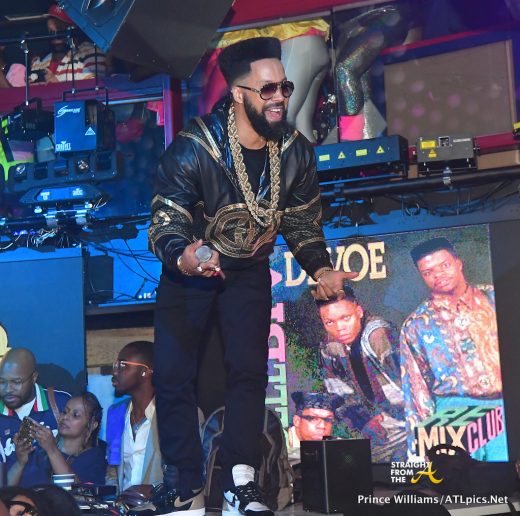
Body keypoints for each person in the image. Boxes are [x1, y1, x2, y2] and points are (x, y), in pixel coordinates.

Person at [148, 36, 354, 516]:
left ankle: (241, 479)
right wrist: (183, 254)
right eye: (267, 90)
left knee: (248, 373)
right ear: (238, 94)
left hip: (248, 273)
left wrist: (321, 268)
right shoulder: (194, 148)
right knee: (174, 376)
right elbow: (166, 219)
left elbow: (302, 222)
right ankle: (185, 484)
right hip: (191, 275)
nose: (280, 97)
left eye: (284, 87)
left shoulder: (295, 151)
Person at [400, 237, 505, 460]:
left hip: (504, 408)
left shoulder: (496, 299)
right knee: (460, 480)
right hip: (452, 415)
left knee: (507, 478)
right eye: (428, 272)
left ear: (459, 263)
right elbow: (416, 392)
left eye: (445, 265)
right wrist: (420, 453)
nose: (438, 275)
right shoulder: (416, 325)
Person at [317, 287, 407, 462]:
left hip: (414, 418)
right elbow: (338, 396)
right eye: (330, 322)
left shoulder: (378, 335)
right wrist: (365, 421)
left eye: (345, 318)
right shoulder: (330, 348)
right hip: (382, 428)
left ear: (359, 312)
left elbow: (408, 386)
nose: (340, 328)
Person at [7, 392, 106, 487]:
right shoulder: (38, 449)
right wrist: (20, 462)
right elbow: (7, 489)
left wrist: (52, 450)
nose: (65, 417)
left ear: (93, 425)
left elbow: (75, 491)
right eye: (64, 412)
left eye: (75, 415)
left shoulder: (95, 457)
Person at [106, 341, 162, 492]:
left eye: (122, 365)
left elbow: (187, 474)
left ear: (145, 372)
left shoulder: (173, 415)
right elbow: (113, 469)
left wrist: (154, 491)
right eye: (115, 365)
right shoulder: (116, 413)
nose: (114, 372)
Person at [0, 348, 70, 470]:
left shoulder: (61, 404)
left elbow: (81, 458)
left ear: (34, 377)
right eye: (2, 382)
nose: (8, 389)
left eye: (16, 382)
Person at [30, 3, 107, 83]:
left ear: (73, 28)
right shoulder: (40, 63)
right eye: (51, 31)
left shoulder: (90, 52)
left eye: (60, 29)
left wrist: (56, 85)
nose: (56, 36)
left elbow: (96, 87)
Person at [287, 391, 342, 466]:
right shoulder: (279, 444)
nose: (322, 426)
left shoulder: (338, 446)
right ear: (297, 421)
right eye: (313, 418)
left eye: (328, 420)